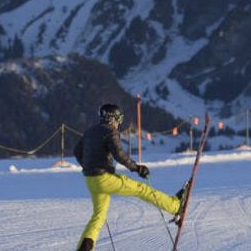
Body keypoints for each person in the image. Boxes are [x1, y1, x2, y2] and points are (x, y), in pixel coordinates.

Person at [73, 103, 189, 251]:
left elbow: (77, 151)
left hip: (91, 180)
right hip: (104, 178)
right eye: (118, 118)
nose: (118, 122)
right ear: (111, 118)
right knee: (142, 189)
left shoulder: (90, 131)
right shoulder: (111, 132)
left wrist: (88, 166)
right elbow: (119, 155)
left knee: (98, 217)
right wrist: (137, 168)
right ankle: (175, 206)